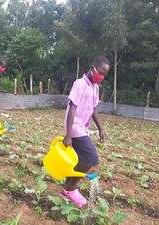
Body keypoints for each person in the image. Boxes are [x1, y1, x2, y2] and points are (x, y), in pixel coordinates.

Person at [61, 56, 110, 208]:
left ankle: (66, 189)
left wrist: (101, 128)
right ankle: (70, 189)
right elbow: (72, 108)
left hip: (83, 127)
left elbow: (94, 109)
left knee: (79, 160)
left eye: (104, 75)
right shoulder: (80, 84)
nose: (101, 76)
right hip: (74, 126)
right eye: (100, 72)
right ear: (92, 68)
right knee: (90, 157)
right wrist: (68, 134)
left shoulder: (96, 87)